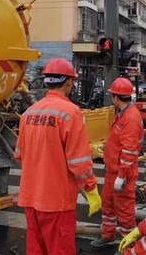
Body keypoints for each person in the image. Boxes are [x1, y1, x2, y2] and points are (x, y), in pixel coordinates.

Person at [14, 58, 101, 254]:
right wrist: (92, 189)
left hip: (31, 198)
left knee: (36, 249)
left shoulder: (28, 113)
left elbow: (19, 155)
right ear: (69, 82)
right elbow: (79, 163)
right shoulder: (70, 112)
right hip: (56, 202)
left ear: (46, 82)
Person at [91, 77, 144, 247]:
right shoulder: (124, 114)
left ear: (116, 97)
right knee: (108, 203)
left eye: (112, 96)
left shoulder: (131, 117)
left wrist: (121, 176)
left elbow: (129, 151)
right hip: (113, 170)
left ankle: (129, 243)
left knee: (124, 209)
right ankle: (108, 234)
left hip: (123, 173)